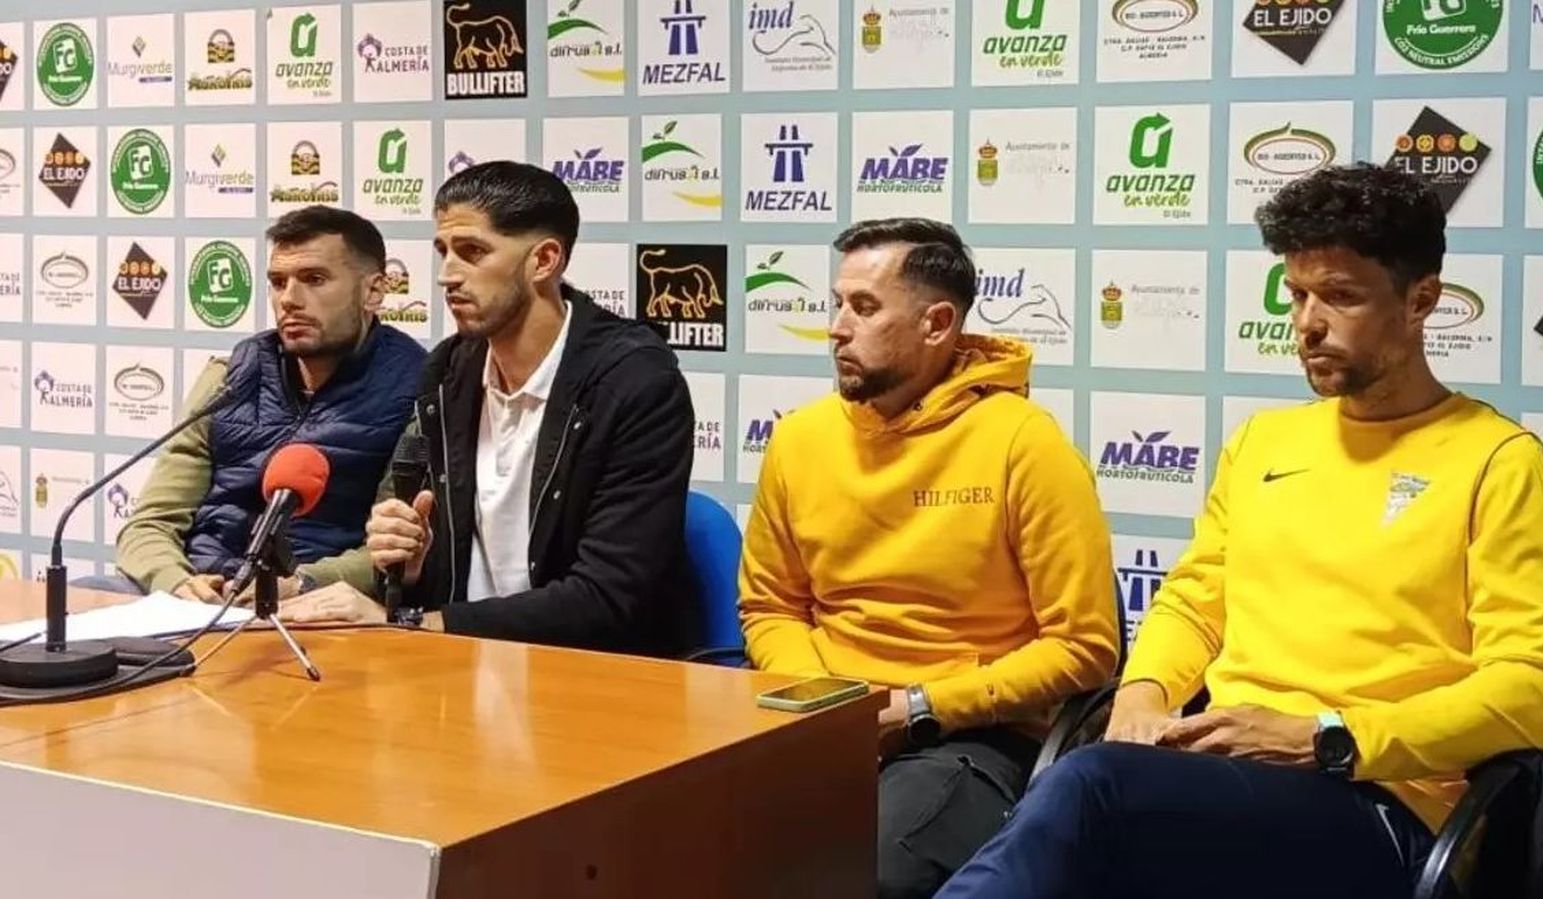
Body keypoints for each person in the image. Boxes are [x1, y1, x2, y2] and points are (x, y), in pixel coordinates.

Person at [935, 164, 1543, 899]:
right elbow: (1192, 598)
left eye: (1341, 296)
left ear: (1420, 301)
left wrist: (1327, 736)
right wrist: (1143, 692)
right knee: (1088, 812)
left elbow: (1536, 689)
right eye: (1299, 294)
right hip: (1220, 776)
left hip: (1381, 802)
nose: (1308, 322)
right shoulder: (1262, 443)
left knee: (1089, 793)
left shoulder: (1498, 461)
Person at [739, 218, 1120, 899]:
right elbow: (771, 603)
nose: (836, 327)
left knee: (860, 872)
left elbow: (1085, 644)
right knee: (662, 834)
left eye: (864, 307)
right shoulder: (800, 439)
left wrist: (918, 705)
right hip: (817, 711)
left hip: (968, 735)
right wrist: (831, 703)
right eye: (837, 303)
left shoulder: (1023, 444)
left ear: (937, 323)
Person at [283, 162, 697, 657]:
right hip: (451, 663)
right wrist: (409, 564)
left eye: (472, 252)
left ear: (543, 261)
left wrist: (412, 623)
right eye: (442, 251)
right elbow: (456, 568)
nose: (446, 276)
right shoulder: (449, 371)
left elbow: (609, 597)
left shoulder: (635, 382)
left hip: (586, 673)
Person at [91, 205, 425, 601]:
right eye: (278, 282)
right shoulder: (231, 375)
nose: (290, 299)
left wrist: (299, 585)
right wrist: (177, 582)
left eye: (314, 279)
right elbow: (150, 523)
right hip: (196, 591)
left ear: (373, 292)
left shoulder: (415, 388)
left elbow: (393, 547)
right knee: (78, 600)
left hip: (310, 602)